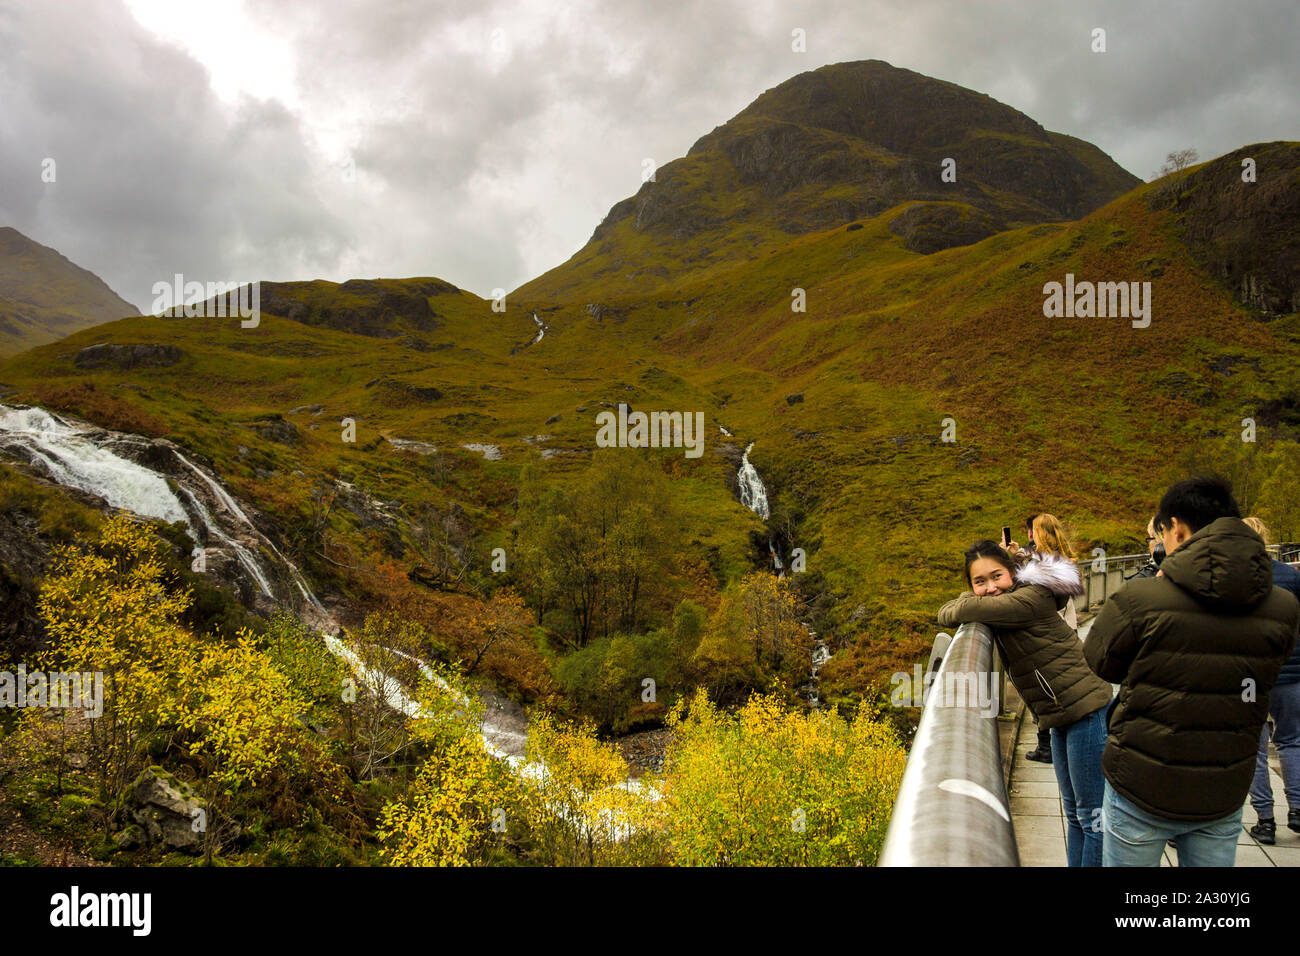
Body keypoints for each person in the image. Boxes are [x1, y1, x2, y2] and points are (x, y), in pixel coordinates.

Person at [1084, 477, 1300, 866]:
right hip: (1223, 786)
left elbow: (1101, 662)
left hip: (1141, 782)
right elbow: (1270, 667)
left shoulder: (1141, 596)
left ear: (1176, 529)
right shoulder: (1283, 606)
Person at [938, 539, 1113, 866]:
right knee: (1075, 814)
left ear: (1013, 573)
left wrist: (966, 598)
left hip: (1085, 709)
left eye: (996, 576)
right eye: (980, 581)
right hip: (1059, 714)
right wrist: (968, 598)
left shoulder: (1029, 599)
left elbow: (955, 611)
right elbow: (963, 608)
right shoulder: (1019, 597)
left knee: (1093, 818)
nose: (990, 588)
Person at [1243, 517, 1300, 844]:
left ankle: (1265, 819)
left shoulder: (1235, 578)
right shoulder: (1291, 576)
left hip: (1251, 678)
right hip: (1292, 673)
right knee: (1292, 739)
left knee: (1255, 745)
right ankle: (1297, 809)